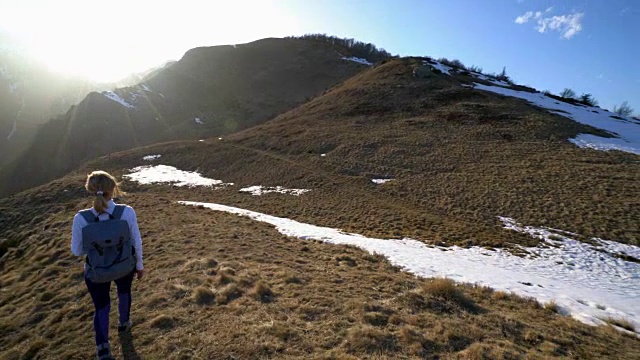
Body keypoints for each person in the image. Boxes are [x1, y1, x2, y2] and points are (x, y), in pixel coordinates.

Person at [71, 171, 144, 360]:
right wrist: (140, 265)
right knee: (124, 293)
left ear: (91, 190)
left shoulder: (81, 218)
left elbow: (77, 251)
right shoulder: (126, 212)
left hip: (97, 272)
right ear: (113, 189)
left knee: (101, 307)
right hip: (124, 266)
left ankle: (103, 347)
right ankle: (124, 323)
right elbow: (136, 240)